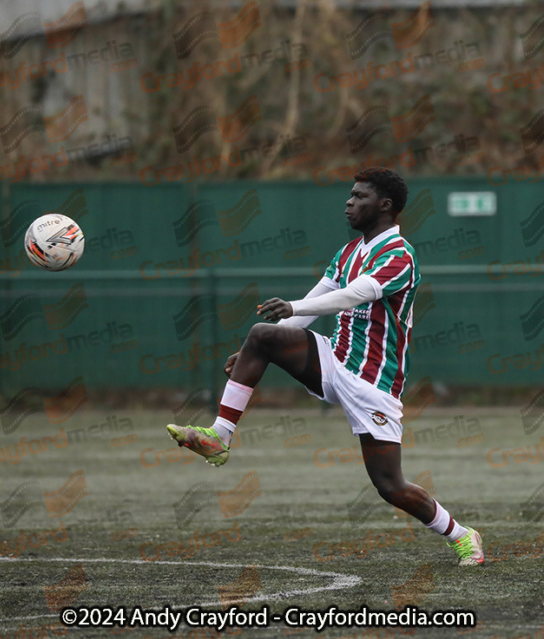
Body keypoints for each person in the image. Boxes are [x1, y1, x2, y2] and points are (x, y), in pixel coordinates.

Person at [167, 167, 483, 566]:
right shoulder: (349, 252)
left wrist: (293, 307)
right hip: (334, 359)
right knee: (263, 333)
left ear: (384, 205)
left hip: (373, 383)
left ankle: (462, 535)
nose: (348, 203)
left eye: (358, 197)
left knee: (390, 486)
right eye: (350, 196)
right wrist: (255, 347)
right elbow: (316, 301)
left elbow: (356, 295)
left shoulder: (401, 255)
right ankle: (219, 435)